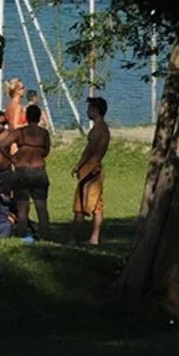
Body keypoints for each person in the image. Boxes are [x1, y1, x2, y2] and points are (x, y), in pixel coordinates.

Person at [0, 103, 51, 237]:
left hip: (22, 170)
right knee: (41, 206)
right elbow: (46, 151)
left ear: (26, 117)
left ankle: (21, 234)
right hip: (39, 170)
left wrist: (12, 158)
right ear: (39, 118)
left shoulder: (20, 132)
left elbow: (2, 145)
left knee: (22, 206)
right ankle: (45, 235)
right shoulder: (44, 133)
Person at [72, 96, 111, 246]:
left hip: (90, 169)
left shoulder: (98, 129)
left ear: (96, 110)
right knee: (97, 207)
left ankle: (75, 238)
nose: (87, 111)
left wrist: (78, 165)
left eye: (89, 108)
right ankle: (94, 238)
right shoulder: (103, 128)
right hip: (96, 168)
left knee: (80, 207)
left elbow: (89, 150)